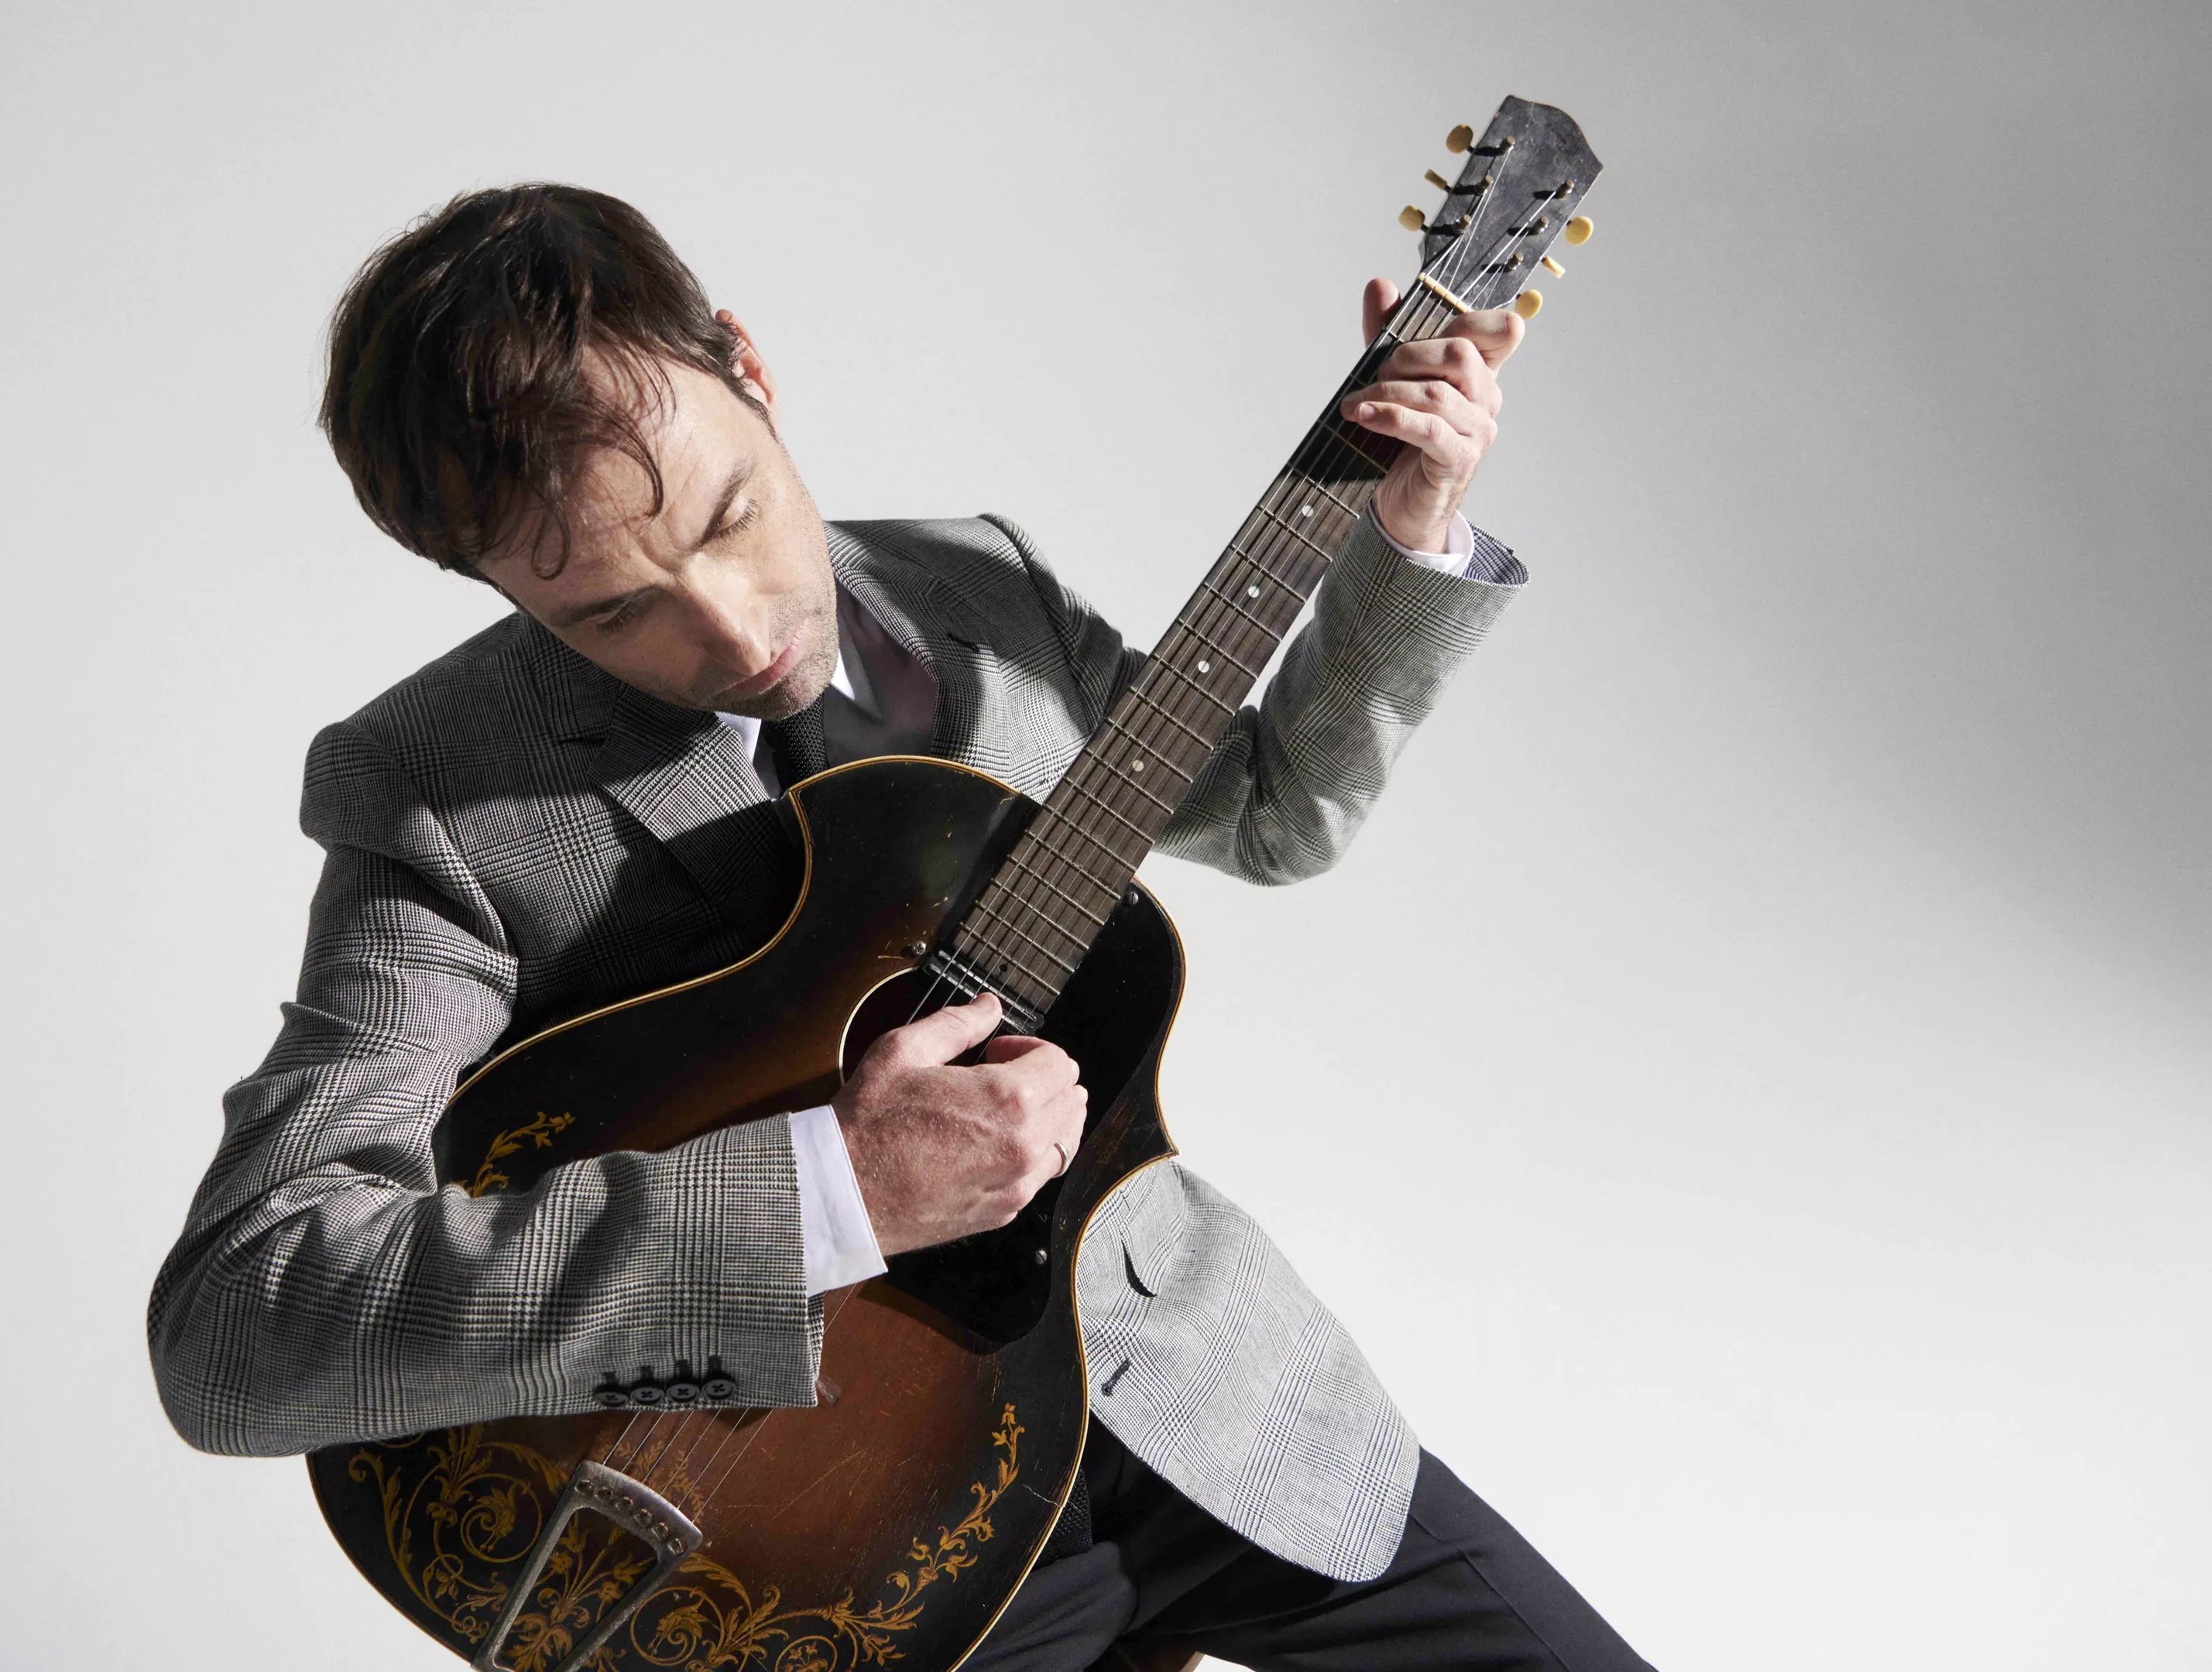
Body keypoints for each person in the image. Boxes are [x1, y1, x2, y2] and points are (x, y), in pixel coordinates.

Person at [148, 183, 1651, 1672]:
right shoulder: (438, 790)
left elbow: (1271, 813)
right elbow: (241, 1326)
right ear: (479, 578)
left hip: (1204, 1390)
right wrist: (830, 1191)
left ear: (746, 364)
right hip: (823, 1529)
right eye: (611, 612)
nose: (736, 631)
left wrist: (1404, 533)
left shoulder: (975, 583)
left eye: (729, 516)